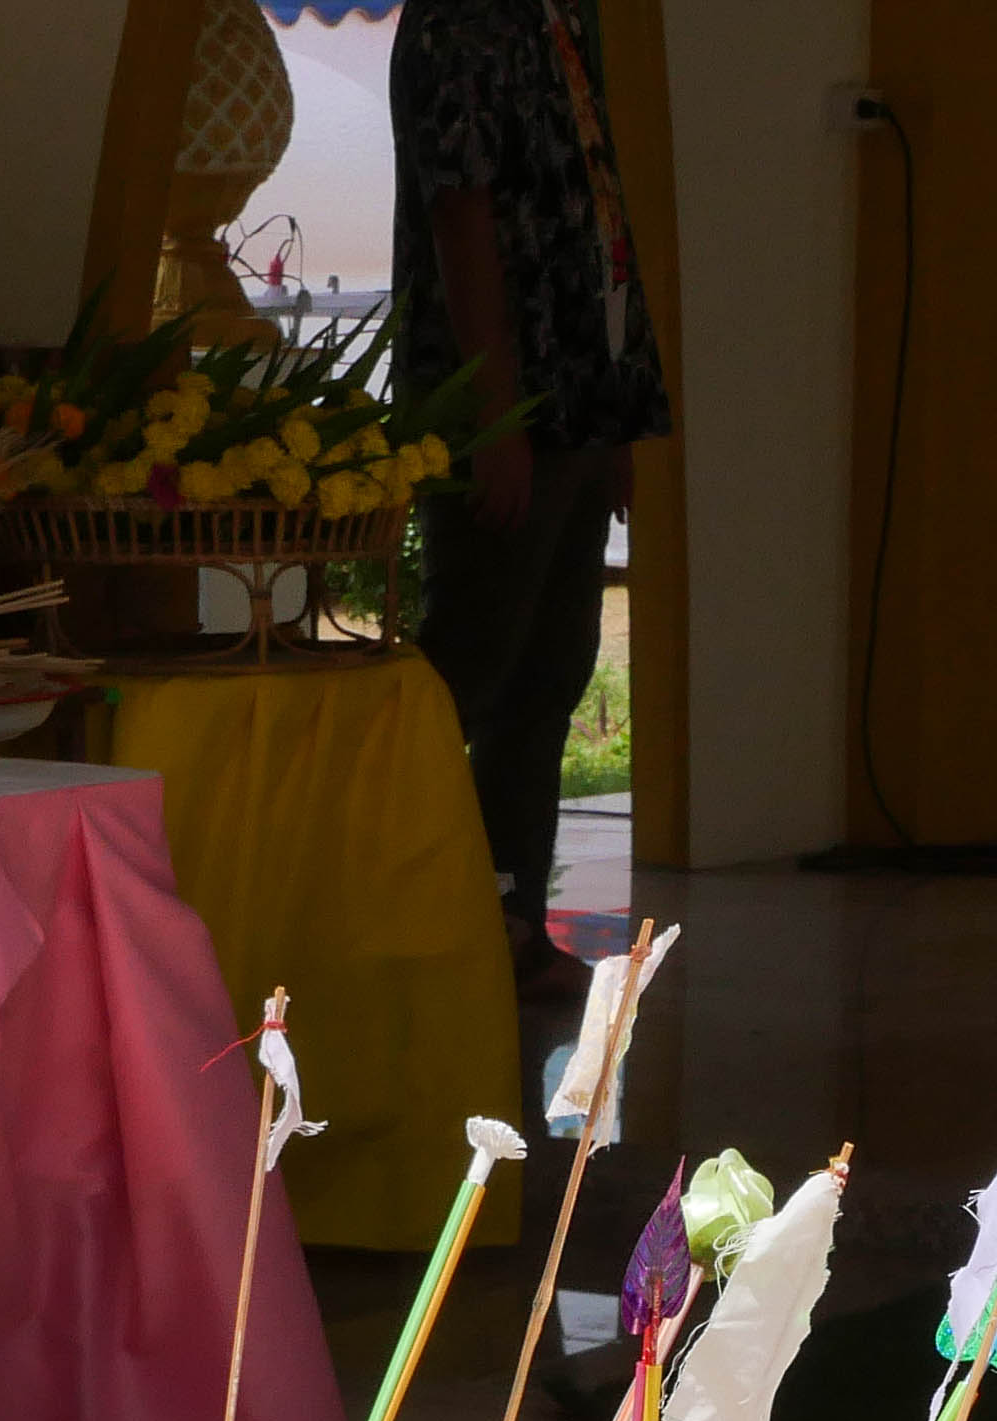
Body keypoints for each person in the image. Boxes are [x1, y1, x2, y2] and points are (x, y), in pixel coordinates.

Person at [390, 0, 671, 997]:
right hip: (503, 402)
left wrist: (618, 411)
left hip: (579, 396)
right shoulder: (461, 19)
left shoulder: (562, 19)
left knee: (550, 674)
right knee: (471, 664)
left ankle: (510, 921)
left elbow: (600, 213)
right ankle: (394, 910)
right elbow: (460, 215)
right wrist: (494, 417)